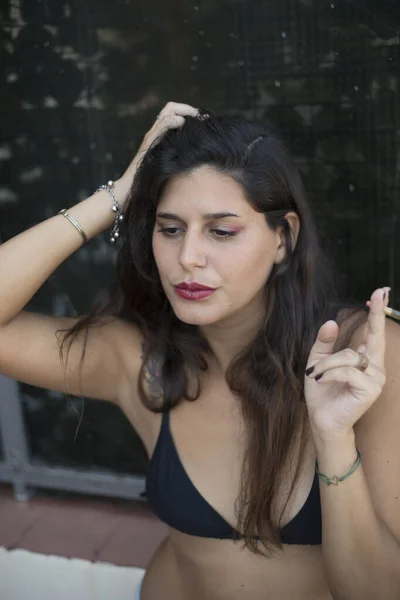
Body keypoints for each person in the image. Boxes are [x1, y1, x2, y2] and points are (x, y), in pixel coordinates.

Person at [0, 101, 399, 600]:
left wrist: (334, 439)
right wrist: (118, 196)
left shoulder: (362, 357)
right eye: (170, 229)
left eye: (221, 231)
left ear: (284, 238)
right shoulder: (141, 362)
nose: (188, 257)